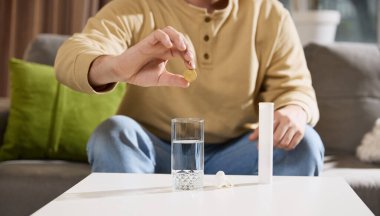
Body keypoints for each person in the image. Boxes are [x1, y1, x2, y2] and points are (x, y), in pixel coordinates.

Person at [55, 0, 324, 176]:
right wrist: (117, 67)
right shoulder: (136, 6)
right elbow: (69, 58)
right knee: (112, 134)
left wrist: (295, 110)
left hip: (236, 154)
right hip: (153, 149)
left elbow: (295, 86)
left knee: (305, 143)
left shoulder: (269, 13)